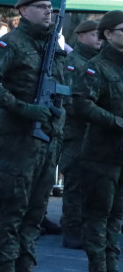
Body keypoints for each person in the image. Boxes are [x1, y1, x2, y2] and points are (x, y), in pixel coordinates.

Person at [0, 0, 69, 272]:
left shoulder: (52, 46)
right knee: (14, 206)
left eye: (50, 7)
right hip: (20, 138)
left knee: (36, 208)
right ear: (23, 11)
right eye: (41, 6)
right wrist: (19, 107)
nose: (48, 12)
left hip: (46, 139)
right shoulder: (11, 43)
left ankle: (25, 268)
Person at [70, 10, 123, 272]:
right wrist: (116, 122)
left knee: (117, 215)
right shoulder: (96, 67)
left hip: (120, 154)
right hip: (101, 152)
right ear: (108, 34)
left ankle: (112, 268)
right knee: (98, 214)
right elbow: (83, 105)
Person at [59, 19, 102, 249]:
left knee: (90, 182)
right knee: (75, 182)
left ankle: (83, 226)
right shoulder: (73, 62)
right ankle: (72, 229)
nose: (99, 39)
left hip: (92, 132)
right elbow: (70, 99)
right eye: (95, 34)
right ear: (82, 35)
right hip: (76, 132)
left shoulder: (96, 61)